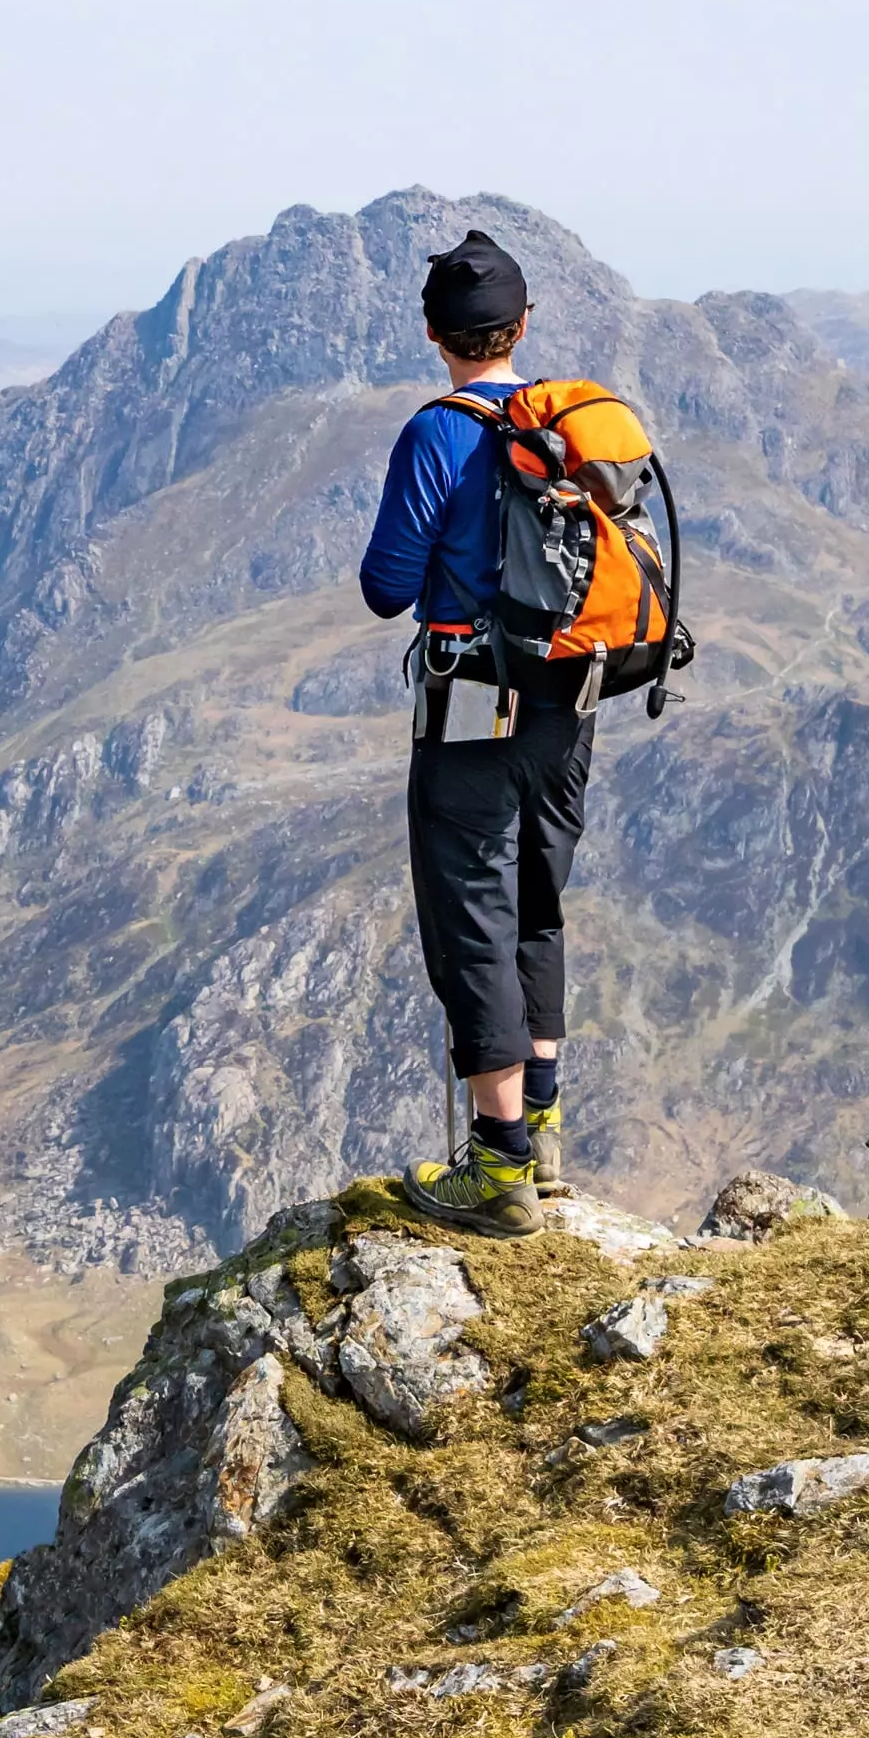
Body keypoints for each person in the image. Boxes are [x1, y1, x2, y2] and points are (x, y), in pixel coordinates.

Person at [354, 231, 594, 1237]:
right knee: (536, 899)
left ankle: (497, 1173)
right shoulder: (571, 428)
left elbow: (384, 589)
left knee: (471, 917)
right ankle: (540, 1140)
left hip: (470, 710)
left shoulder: (437, 435)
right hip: (571, 698)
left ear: (431, 334)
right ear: (522, 326)